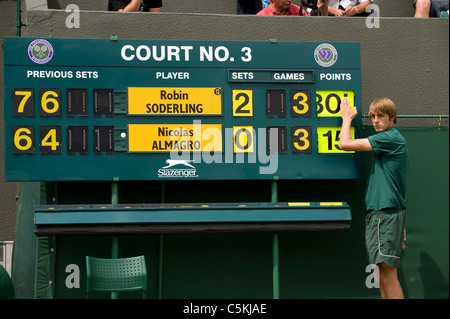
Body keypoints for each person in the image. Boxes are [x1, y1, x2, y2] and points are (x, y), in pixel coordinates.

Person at [339, 97, 409, 299]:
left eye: (381, 116)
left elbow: (345, 144)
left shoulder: (391, 138)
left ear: (393, 118)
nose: (376, 120)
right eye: (373, 117)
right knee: (382, 276)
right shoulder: (388, 141)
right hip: (384, 216)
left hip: (385, 216)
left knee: (388, 276)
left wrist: (346, 118)